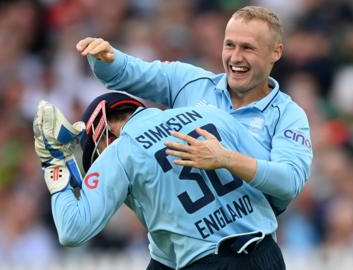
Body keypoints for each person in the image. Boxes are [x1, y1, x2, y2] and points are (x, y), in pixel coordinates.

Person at [33, 91, 312, 269]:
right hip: (267, 255)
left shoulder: (119, 151)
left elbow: (72, 230)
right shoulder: (209, 113)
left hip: (209, 262)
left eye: (97, 155)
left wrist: (54, 163)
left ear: (104, 131)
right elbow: (274, 185)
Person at [75, 6, 312, 215]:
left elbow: (289, 182)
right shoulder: (191, 81)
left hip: (243, 249)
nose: (235, 57)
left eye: (248, 48)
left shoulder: (288, 115)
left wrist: (226, 159)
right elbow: (127, 73)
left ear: (276, 52)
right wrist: (106, 58)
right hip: (176, 248)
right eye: (229, 45)